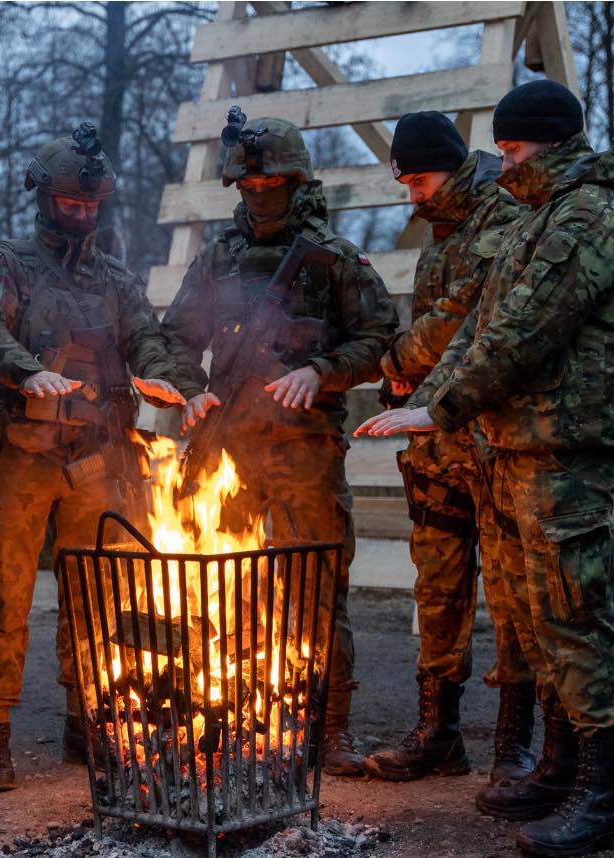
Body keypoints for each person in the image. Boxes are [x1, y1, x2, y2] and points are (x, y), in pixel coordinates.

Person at [359, 80, 614, 857]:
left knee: (572, 614)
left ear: (548, 143)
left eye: (515, 148)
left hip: (566, 443)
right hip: (519, 442)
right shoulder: (540, 218)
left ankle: (601, 798)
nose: (504, 161)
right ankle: (557, 771)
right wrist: (432, 398)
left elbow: (523, 330)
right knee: (537, 612)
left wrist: (437, 406)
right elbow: (477, 329)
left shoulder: (587, 218)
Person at [163, 110, 398, 776]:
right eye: (250, 181)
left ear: (297, 180)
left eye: (274, 179)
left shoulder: (333, 257)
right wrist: (190, 388)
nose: (260, 190)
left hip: (305, 453)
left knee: (318, 591)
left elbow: (379, 338)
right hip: (225, 450)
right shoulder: (218, 259)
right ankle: (233, 712)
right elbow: (176, 336)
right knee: (223, 586)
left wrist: (320, 370)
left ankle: (328, 729)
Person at [0, 123, 185, 792]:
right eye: (71, 204)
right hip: (21, 459)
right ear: (44, 198)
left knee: (98, 602)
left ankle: (88, 724)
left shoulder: (114, 277)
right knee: (7, 603)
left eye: (92, 207)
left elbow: (146, 337)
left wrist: (157, 375)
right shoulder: (9, 266)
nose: (82, 216)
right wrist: (25, 372)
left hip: (96, 460)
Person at [356, 112, 536, 787]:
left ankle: (515, 742)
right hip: (433, 451)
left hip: (492, 442)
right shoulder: (440, 231)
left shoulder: (502, 215)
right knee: (436, 590)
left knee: (512, 595)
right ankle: (438, 734)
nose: (413, 193)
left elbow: (466, 311)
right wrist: (401, 376)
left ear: (452, 166)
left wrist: (398, 357)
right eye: (404, 182)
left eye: (420, 179)